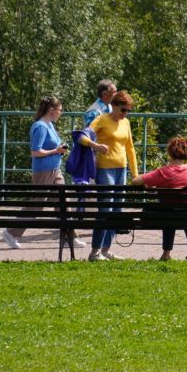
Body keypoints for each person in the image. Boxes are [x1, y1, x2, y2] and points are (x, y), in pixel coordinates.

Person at [77, 89, 138, 260]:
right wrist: (95, 146)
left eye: (128, 111)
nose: (125, 114)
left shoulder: (125, 123)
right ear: (113, 106)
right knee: (105, 209)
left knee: (116, 211)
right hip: (105, 169)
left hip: (121, 170)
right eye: (123, 110)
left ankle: (105, 250)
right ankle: (95, 252)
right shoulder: (102, 119)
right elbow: (81, 137)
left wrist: (135, 174)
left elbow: (130, 148)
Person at [1, 94, 69, 249]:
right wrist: (55, 150)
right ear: (52, 110)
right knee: (36, 204)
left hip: (55, 169)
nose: (61, 113)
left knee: (63, 201)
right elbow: (35, 152)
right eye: (59, 110)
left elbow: (53, 145)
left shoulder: (50, 125)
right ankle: (11, 232)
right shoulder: (40, 126)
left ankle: (68, 236)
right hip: (43, 171)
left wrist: (60, 148)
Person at [133, 136, 187, 260]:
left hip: (168, 214)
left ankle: (166, 254)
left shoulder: (162, 172)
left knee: (169, 214)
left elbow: (135, 181)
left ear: (170, 152)